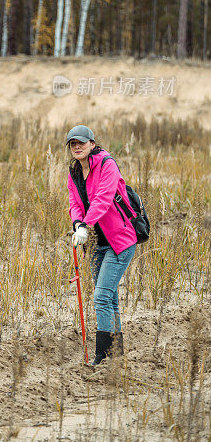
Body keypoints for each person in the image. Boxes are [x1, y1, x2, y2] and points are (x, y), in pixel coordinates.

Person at [66, 125, 137, 365]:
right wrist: (78, 224)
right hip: (96, 243)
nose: (77, 147)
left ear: (92, 144)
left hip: (120, 240)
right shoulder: (74, 171)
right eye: (73, 144)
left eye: (81, 143)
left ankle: (102, 355)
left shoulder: (107, 164)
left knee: (101, 297)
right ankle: (116, 352)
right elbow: (74, 202)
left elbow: (103, 199)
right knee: (110, 297)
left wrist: (85, 225)